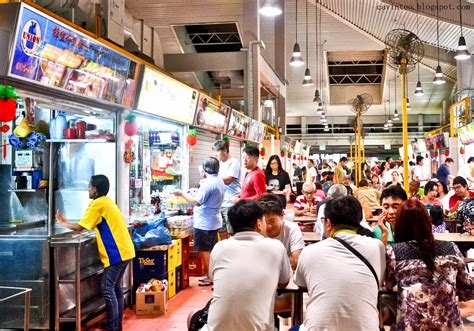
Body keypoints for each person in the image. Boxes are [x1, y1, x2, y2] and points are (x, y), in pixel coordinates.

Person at [56, 175, 135, 331]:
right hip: (126, 250)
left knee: (107, 287)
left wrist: (63, 222)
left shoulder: (97, 204)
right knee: (115, 287)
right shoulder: (107, 201)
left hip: (116, 253)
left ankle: (113, 327)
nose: (88, 189)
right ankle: (116, 325)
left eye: (90, 186)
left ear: (96, 190)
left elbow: (81, 227)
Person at [295, 196, 386, 330]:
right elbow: (379, 281)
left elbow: (301, 283)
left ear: (328, 223)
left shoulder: (309, 251)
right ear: (359, 221)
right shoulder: (377, 247)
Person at [200, 200, 292, 330]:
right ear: (259, 224)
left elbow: (214, 278)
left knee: (194, 316)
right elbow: (284, 282)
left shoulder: (219, 247)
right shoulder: (276, 247)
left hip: (216, 328)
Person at [384, 199, 474, 330]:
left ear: (399, 225)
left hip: (411, 326)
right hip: (449, 326)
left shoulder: (394, 252)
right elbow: (467, 290)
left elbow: (388, 284)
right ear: (427, 222)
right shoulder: (451, 248)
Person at [175, 157, 225, 286]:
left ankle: (210, 276)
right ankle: (213, 275)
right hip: (213, 221)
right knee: (211, 249)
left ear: (205, 169)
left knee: (204, 250)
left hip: (205, 223)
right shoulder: (218, 180)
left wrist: (182, 194)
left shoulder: (208, 183)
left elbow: (196, 202)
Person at [257, 194, 305, 270]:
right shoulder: (256, 231)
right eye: (264, 222)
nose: (268, 226)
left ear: (282, 215)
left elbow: (297, 261)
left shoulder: (292, 229)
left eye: (272, 221)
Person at [212, 140, 241, 238]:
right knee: (221, 230)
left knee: (232, 231)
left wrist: (212, 179)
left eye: (217, 151)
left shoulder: (234, 163)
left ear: (225, 151)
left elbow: (229, 180)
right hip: (220, 202)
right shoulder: (219, 163)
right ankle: (225, 251)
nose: (215, 154)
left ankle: (234, 251)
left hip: (230, 203)